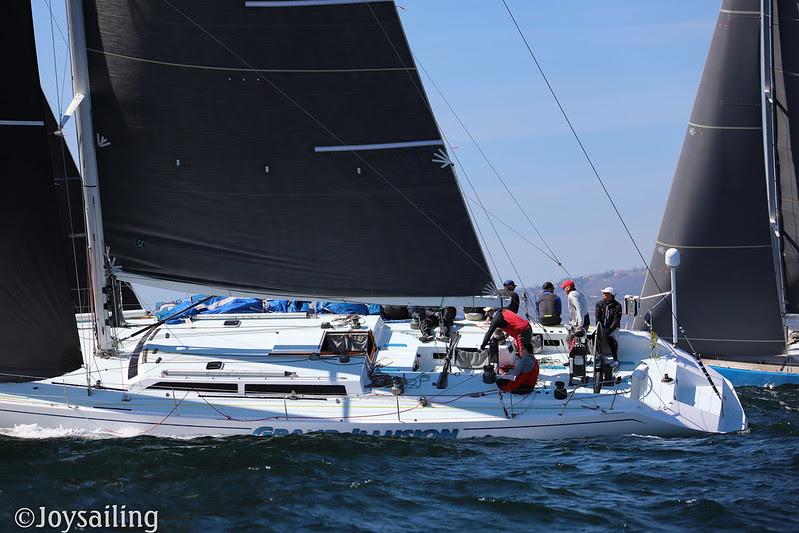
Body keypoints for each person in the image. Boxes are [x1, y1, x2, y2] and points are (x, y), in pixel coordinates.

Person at [595, 286, 622, 358]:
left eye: (605, 293)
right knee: (594, 337)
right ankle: (599, 355)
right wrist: (601, 329)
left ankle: (615, 359)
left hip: (613, 328)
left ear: (610, 295)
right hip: (602, 327)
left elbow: (616, 320)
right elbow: (597, 318)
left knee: (611, 338)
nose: (603, 294)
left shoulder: (617, 306)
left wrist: (609, 330)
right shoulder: (599, 304)